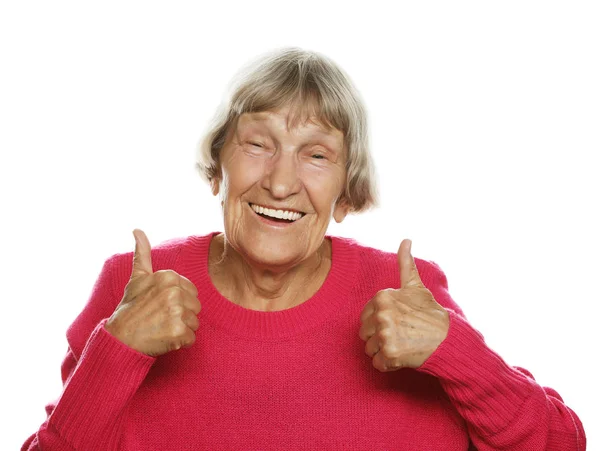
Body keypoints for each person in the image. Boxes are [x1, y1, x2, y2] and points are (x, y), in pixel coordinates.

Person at [22, 48, 586, 451]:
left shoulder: (406, 291)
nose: (282, 181)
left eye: (316, 155)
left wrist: (455, 352)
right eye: (258, 144)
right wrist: (116, 350)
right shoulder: (132, 286)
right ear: (217, 165)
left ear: (347, 192)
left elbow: (561, 442)